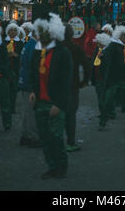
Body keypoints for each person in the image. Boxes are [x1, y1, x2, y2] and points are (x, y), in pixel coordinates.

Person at [29, 15, 72, 179]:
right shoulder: (37, 51)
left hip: (55, 103)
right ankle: (52, 167)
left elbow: (65, 82)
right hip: (40, 102)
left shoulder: (62, 52)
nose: (40, 36)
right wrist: (33, 91)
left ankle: (61, 166)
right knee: (45, 138)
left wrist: (59, 104)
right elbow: (33, 73)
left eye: (44, 33)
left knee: (55, 137)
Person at [98, 25, 125, 131]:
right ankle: (102, 123)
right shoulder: (114, 45)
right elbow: (106, 52)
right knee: (108, 102)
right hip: (113, 80)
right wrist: (102, 54)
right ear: (119, 36)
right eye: (124, 35)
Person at [63, 24, 91, 152]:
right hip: (72, 85)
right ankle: (70, 142)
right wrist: (84, 80)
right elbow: (86, 65)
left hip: (55, 86)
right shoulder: (76, 48)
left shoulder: (54, 48)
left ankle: (56, 141)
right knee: (70, 115)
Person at [18, 22, 40, 147]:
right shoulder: (34, 46)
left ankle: (25, 135)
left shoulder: (28, 44)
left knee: (26, 110)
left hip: (24, 81)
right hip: (29, 82)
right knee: (31, 111)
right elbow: (34, 66)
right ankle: (33, 137)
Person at [91, 32, 112, 118]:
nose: (98, 43)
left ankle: (107, 113)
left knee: (106, 97)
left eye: (99, 42)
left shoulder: (108, 51)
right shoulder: (97, 50)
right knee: (100, 96)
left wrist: (103, 57)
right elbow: (93, 62)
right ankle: (103, 112)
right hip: (97, 77)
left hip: (105, 77)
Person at [5, 22, 23, 114]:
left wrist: (16, 55)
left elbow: (23, 56)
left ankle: (12, 106)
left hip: (15, 69)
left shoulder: (20, 43)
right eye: (11, 30)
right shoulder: (4, 42)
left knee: (14, 89)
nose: (12, 32)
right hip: (5, 69)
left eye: (15, 30)